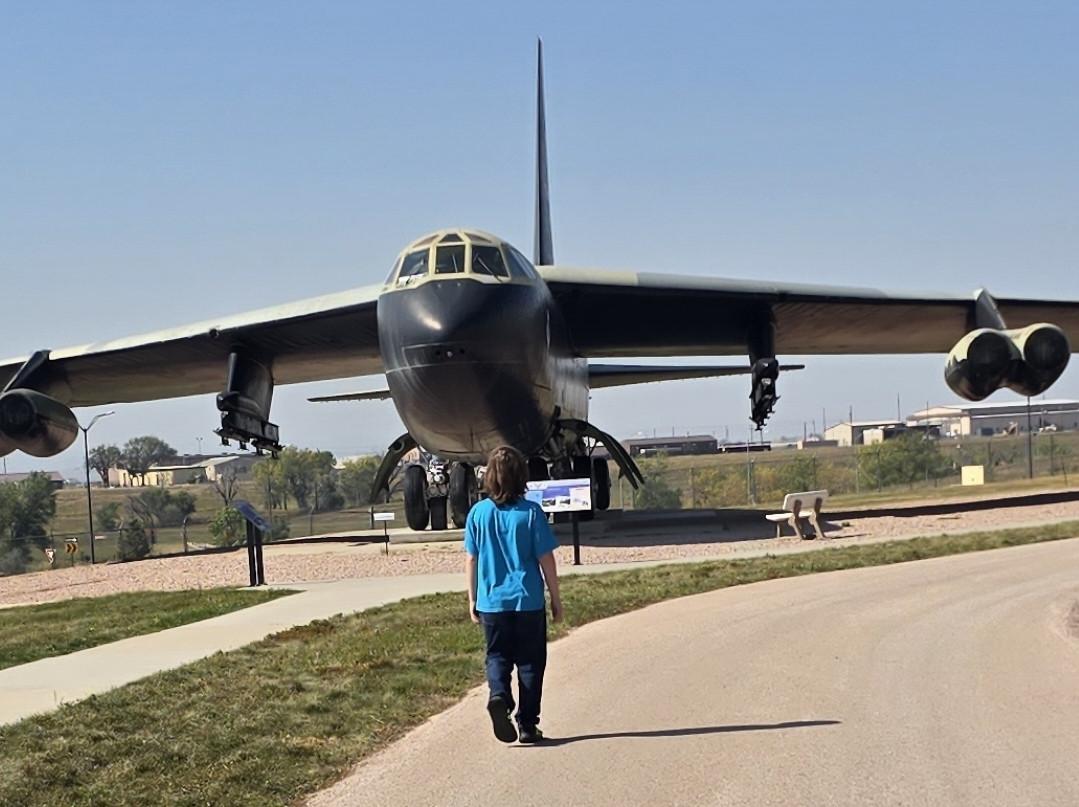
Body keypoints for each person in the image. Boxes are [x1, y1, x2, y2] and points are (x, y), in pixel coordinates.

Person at [464, 445, 562, 744]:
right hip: (527, 599)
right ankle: (528, 725)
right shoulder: (531, 513)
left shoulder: (478, 513)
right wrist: (555, 598)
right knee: (531, 662)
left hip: (492, 600)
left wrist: (472, 598)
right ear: (522, 476)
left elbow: (471, 558)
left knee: (497, 655)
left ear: (489, 477)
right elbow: (546, 558)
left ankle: (500, 696)